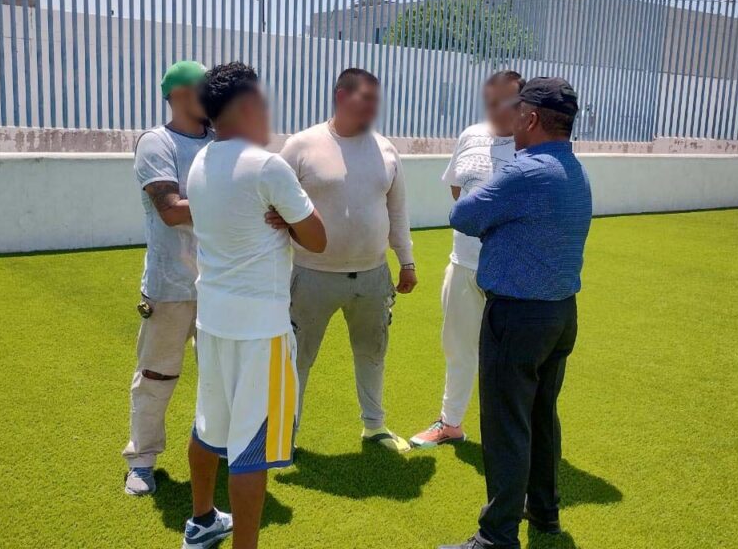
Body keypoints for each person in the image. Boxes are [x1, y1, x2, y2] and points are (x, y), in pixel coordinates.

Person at [439, 77, 592, 549]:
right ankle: (544, 513)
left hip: (517, 316)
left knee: (506, 425)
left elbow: (463, 214)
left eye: (517, 111)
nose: (510, 118)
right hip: (559, 314)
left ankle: (497, 536)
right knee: (541, 417)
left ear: (531, 117)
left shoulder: (525, 171)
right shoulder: (574, 169)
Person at [183, 62, 327, 549]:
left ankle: (202, 520)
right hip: (260, 331)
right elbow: (318, 238)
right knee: (252, 451)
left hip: (213, 321)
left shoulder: (201, 161)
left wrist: (283, 218)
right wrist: (290, 220)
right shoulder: (268, 166)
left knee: (208, 426)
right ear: (247, 105)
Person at [266, 68, 416, 452]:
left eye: (376, 100)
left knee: (372, 353)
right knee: (297, 358)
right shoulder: (302, 145)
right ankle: (284, 437)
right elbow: (271, 200)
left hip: (372, 275)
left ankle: (374, 427)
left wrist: (407, 261)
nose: (373, 108)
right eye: (365, 98)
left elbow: (397, 211)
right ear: (340, 96)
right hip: (312, 275)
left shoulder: (386, 149)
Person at [410, 70, 525, 449]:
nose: (495, 109)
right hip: (462, 262)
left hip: (509, 271)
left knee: (508, 359)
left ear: (522, 103)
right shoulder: (470, 136)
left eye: (504, 101)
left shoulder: (530, 147)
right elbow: (458, 190)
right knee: (458, 349)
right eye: (490, 101)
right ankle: (450, 424)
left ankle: (508, 437)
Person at [121, 60, 213, 496]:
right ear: (178, 94)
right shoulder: (156, 143)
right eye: (202, 87)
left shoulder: (220, 141)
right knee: (157, 375)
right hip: (170, 285)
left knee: (220, 376)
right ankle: (141, 461)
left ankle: (216, 451)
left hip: (219, 284)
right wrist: (232, 201)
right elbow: (171, 211)